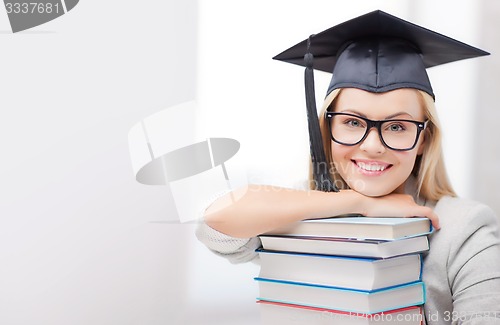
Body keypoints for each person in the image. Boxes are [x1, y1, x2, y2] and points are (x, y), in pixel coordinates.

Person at [196, 10, 500, 324]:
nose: (372, 146)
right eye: (353, 122)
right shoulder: (300, 209)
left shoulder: (463, 228)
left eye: (397, 127)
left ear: (424, 139)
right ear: (327, 131)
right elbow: (215, 224)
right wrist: (360, 203)